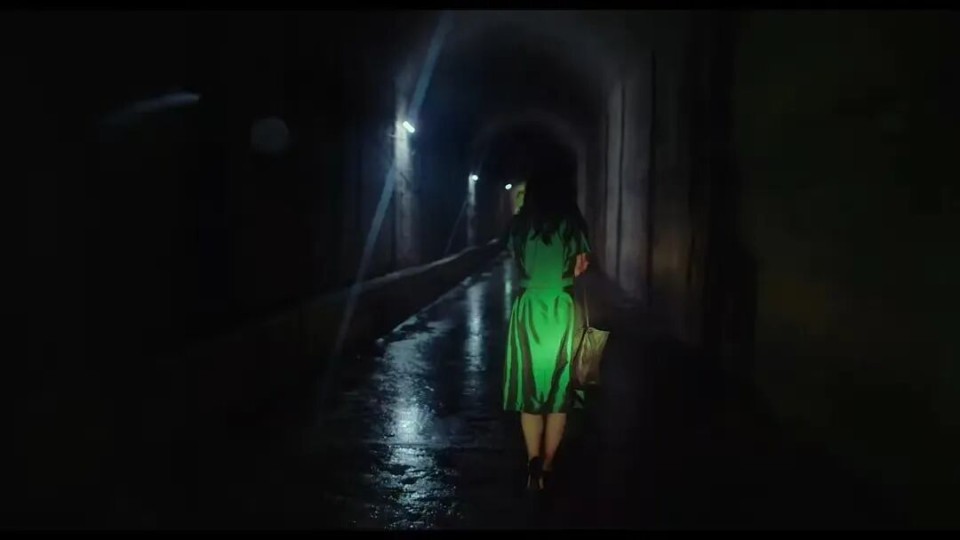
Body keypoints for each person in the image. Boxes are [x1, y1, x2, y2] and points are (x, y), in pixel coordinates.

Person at [502, 172, 590, 493]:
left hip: (528, 310)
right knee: (559, 394)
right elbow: (580, 267)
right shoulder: (572, 225)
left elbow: (514, 258)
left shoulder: (520, 225)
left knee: (529, 390)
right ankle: (548, 466)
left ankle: (533, 463)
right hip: (562, 309)